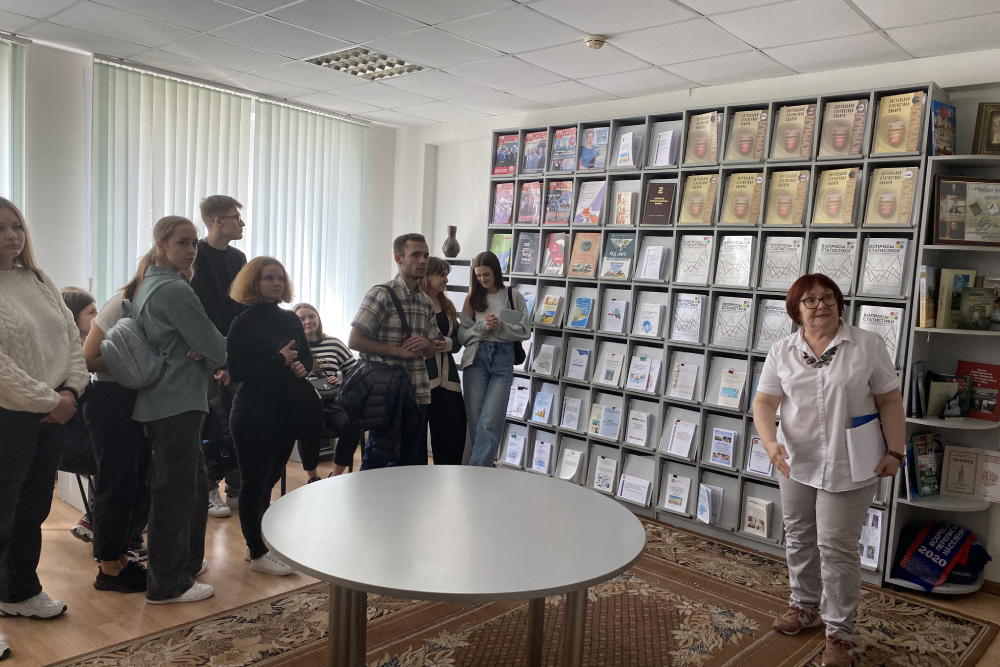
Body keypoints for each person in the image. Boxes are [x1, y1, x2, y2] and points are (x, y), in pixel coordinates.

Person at [752, 274, 905, 667]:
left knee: (837, 549)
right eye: (810, 300)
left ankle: (840, 634)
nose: (821, 305)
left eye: (828, 297)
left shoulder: (868, 345)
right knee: (799, 536)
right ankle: (803, 607)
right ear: (796, 311)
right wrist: (770, 443)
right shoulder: (782, 350)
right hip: (797, 460)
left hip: (850, 462)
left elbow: (890, 401)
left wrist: (896, 451)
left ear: (839, 303)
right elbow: (765, 403)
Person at [0, 197, 89, 658]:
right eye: (0, 229)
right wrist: (51, 400)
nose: (12, 236)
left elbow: (72, 338)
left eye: (16, 226)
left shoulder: (36, 278)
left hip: (54, 412)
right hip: (10, 417)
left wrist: (70, 390)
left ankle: (19, 592)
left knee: (31, 509)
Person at [131, 216, 227, 604]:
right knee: (175, 492)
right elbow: (218, 349)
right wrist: (208, 351)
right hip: (175, 399)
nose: (190, 250)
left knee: (193, 486)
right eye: (182, 243)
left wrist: (203, 347)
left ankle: (184, 564)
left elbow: (206, 345)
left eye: (194, 244)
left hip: (171, 398)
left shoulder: (152, 283)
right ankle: (167, 584)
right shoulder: (173, 289)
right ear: (161, 245)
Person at [227, 258, 309, 575]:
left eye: (280, 278)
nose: (276, 283)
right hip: (254, 411)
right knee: (254, 483)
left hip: (286, 409)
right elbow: (237, 372)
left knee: (269, 482)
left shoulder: (290, 318)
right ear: (253, 283)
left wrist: (301, 367)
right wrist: (279, 360)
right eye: (268, 278)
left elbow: (307, 358)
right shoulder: (242, 322)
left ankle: (258, 545)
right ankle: (258, 552)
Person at [348, 233, 441, 469]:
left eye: (426, 255)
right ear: (399, 258)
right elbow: (355, 340)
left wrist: (425, 343)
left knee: (407, 463)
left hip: (418, 392)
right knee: (376, 462)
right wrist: (397, 351)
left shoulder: (426, 302)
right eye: (416, 255)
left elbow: (431, 350)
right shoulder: (381, 294)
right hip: (387, 394)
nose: (423, 260)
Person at [190, 195, 248, 519]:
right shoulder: (195, 256)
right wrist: (212, 346)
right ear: (218, 221)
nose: (242, 224)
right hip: (203, 356)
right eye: (236, 218)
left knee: (237, 420)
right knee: (209, 422)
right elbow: (195, 308)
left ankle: (237, 487)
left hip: (234, 351)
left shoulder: (239, 258)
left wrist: (233, 345)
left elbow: (242, 305)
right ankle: (209, 487)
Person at [459, 251, 530, 467]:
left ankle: (476, 473)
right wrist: (482, 326)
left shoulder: (513, 296)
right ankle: (484, 471)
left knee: (490, 420)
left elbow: (525, 331)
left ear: (496, 272)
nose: (482, 279)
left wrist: (500, 326)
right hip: (476, 358)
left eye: (486, 275)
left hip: (503, 357)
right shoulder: (472, 298)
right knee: (476, 420)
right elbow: (462, 336)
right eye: (478, 276)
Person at [293, 303, 364, 480]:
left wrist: (342, 382)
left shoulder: (333, 343)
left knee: (353, 424)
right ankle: (312, 478)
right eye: (301, 319)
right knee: (308, 427)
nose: (308, 321)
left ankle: (336, 476)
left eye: (311, 316)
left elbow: (355, 372)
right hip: (305, 402)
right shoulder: (293, 347)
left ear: (318, 317)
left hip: (333, 401)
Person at [58, 288, 100, 545]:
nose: (98, 317)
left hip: (71, 438)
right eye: (91, 312)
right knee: (129, 456)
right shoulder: (68, 357)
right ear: (73, 317)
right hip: (67, 443)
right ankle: (113, 529)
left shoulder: (83, 349)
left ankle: (95, 519)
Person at [418, 258, 466, 465]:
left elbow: (458, 338)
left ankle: (447, 480)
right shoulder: (415, 303)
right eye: (441, 275)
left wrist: (447, 344)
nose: (446, 280)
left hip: (448, 381)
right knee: (417, 441)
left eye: (447, 275)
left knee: (452, 435)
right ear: (427, 276)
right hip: (421, 381)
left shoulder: (447, 305)